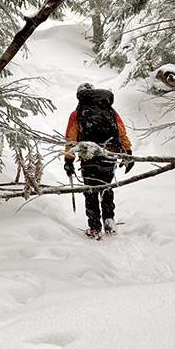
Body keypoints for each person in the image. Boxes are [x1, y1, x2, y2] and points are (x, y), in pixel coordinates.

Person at [63, 83, 133, 239]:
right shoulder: (110, 110)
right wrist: (128, 153)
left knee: (91, 190)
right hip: (109, 155)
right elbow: (121, 133)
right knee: (106, 187)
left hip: (89, 157)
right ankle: (109, 219)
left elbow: (71, 139)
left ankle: (94, 228)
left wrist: (68, 160)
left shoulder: (77, 114)